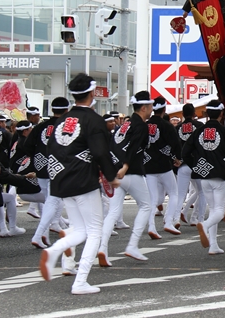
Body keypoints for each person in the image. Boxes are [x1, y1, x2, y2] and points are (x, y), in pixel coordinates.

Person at [38, 74, 120, 294]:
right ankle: (80, 281)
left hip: (62, 180)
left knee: (81, 229)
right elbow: (101, 152)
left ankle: (54, 250)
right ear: (92, 93)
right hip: (83, 180)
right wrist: (111, 176)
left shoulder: (62, 120)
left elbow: (51, 149)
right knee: (94, 231)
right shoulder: (94, 120)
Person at [98, 91, 154, 266]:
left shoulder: (125, 124)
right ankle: (132, 245)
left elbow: (113, 146)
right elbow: (134, 147)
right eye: (150, 106)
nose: (152, 109)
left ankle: (102, 248)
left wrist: (110, 169)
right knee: (146, 205)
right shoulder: (141, 126)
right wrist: (126, 166)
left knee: (113, 212)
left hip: (115, 171)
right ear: (144, 108)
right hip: (130, 171)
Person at [182, 100, 225, 255]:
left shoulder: (198, 131)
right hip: (219, 175)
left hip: (203, 175)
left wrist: (197, 165)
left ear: (207, 113)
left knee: (213, 209)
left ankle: (213, 245)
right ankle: (204, 225)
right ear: (221, 114)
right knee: (219, 210)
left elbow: (185, 152)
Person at [26, 97, 70, 249]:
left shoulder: (40, 126)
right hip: (58, 165)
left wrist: (37, 157)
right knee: (53, 200)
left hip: (40, 165)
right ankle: (39, 234)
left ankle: (44, 233)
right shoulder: (66, 126)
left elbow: (27, 145)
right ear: (67, 110)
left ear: (52, 109)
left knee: (49, 200)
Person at [145, 96, 182, 239]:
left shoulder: (145, 125)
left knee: (152, 198)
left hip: (148, 165)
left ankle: (151, 227)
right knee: (173, 193)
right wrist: (177, 158)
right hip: (164, 165)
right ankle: (168, 221)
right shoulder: (167, 125)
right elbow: (176, 143)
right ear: (164, 109)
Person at [173, 104, 205, 228]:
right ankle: (198, 219)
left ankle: (176, 218)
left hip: (182, 164)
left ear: (182, 114)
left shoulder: (177, 128)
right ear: (194, 114)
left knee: (180, 194)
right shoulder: (200, 126)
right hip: (196, 164)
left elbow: (174, 146)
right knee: (202, 192)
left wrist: (176, 159)